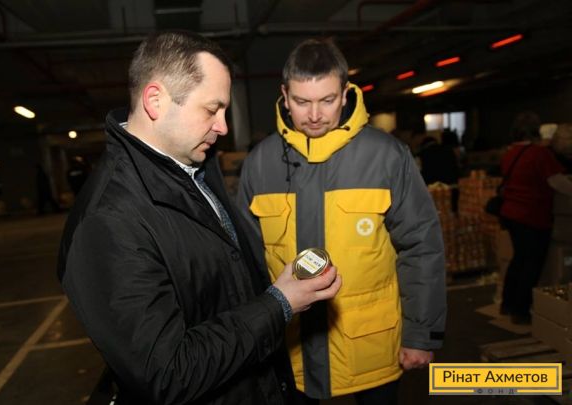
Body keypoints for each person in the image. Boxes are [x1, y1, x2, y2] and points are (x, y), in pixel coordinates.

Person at [57, 31, 342, 405]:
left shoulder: (193, 166)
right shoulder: (107, 221)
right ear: (155, 101)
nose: (223, 126)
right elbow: (168, 374)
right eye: (211, 109)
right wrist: (279, 304)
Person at [237, 38, 446, 404]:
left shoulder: (386, 156)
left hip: (371, 346)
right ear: (284, 96)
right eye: (302, 101)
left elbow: (421, 246)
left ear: (346, 93)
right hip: (289, 349)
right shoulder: (260, 163)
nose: (314, 114)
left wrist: (420, 334)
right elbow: (244, 259)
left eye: (327, 100)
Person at [499, 112, 572, 324]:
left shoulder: (510, 153)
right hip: (532, 215)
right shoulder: (539, 154)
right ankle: (521, 311)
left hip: (511, 213)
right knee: (532, 264)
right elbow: (556, 182)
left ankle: (507, 303)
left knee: (519, 259)